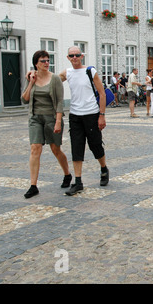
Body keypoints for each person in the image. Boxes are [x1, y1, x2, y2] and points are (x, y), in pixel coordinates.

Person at [59, 46, 109, 196]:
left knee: (95, 145)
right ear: (68, 57)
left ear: (82, 56)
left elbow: (102, 93)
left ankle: (104, 168)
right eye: (71, 55)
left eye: (77, 55)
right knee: (77, 147)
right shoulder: (67, 73)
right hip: (75, 115)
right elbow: (50, 80)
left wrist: (102, 115)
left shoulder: (90, 71)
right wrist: (34, 74)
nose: (74, 58)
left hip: (91, 114)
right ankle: (78, 182)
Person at [21, 50, 72, 199]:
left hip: (51, 118)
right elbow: (24, 99)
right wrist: (31, 82)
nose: (46, 63)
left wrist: (57, 122)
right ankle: (33, 185)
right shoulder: (31, 77)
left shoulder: (55, 79)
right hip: (35, 118)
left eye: (48, 60)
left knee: (55, 149)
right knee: (35, 149)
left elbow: (59, 102)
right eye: (43, 61)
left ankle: (67, 174)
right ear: (36, 63)